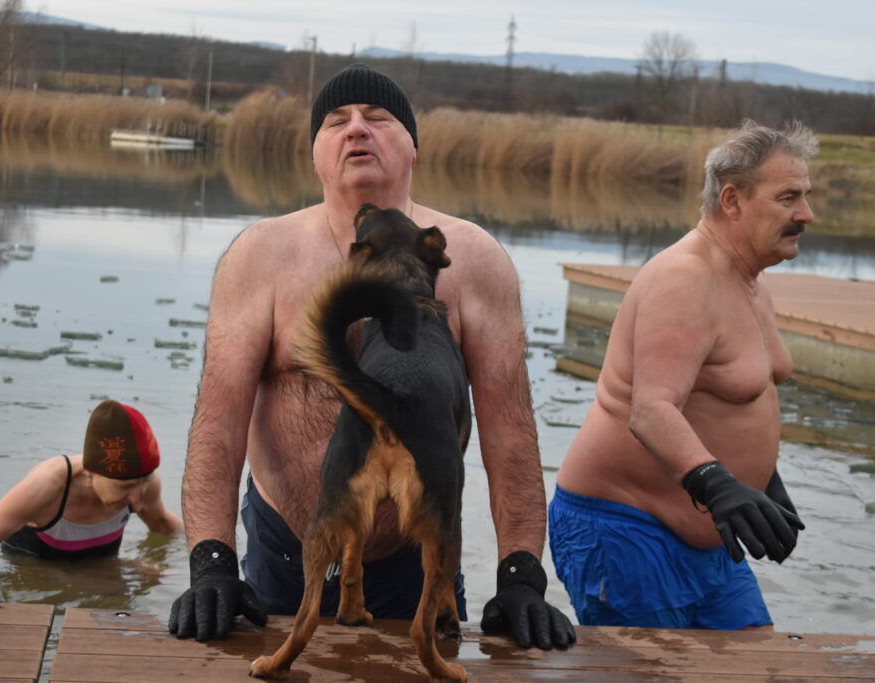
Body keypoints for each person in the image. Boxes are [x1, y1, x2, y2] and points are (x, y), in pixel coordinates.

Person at [167, 63, 575, 650]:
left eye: (378, 118)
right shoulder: (261, 256)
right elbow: (219, 421)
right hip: (286, 556)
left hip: (419, 561)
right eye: (336, 122)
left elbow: (509, 431)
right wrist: (211, 561)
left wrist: (521, 575)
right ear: (315, 156)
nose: (357, 128)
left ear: (413, 148)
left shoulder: (474, 260)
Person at [550, 120, 816, 630]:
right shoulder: (684, 278)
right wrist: (720, 485)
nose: (806, 213)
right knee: (654, 669)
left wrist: (763, 481)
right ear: (732, 201)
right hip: (627, 527)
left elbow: (727, 398)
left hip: (708, 531)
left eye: (805, 196)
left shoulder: (749, 280)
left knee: (754, 663)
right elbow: (652, 411)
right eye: (788, 198)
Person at [0, 400, 183, 577]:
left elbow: (164, 527)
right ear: (89, 470)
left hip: (99, 572)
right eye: (125, 487)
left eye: (144, 484)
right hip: (31, 574)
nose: (136, 502)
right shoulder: (46, 487)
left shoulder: (147, 485)